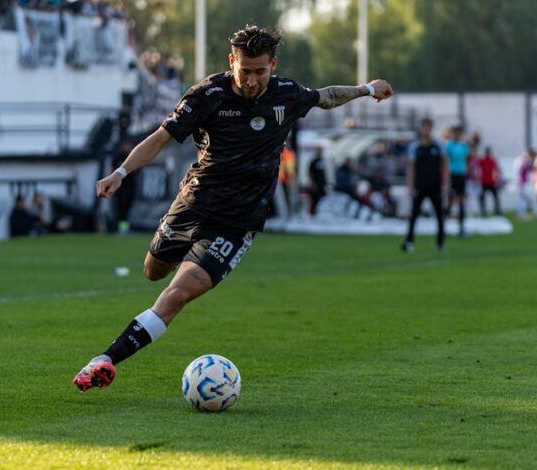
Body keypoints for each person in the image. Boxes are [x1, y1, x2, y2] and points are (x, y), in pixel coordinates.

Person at [72, 24, 394, 392]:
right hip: (192, 204)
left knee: (175, 296)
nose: (253, 80)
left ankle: (105, 360)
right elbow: (160, 138)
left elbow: (326, 96)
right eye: (246, 71)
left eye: (261, 71)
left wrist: (367, 89)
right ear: (232, 62)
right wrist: (120, 172)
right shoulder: (207, 95)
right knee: (153, 271)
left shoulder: (286, 94)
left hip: (237, 222)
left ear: (273, 64)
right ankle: (179, 259)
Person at [401, 118, 447, 254]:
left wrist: (445, 184)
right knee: (414, 214)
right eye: (424, 127)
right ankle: (409, 242)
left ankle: (440, 242)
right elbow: (411, 168)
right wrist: (410, 186)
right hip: (420, 186)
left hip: (435, 185)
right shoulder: (415, 147)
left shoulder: (438, 146)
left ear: (431, 129)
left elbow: (444, 166)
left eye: (428, 127)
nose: (426, 130)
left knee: (439, 215)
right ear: (421, 129)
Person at [445, 126, 470, 236]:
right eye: (455, 132)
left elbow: (466, 159)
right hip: (453, 175)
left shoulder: (464, 146)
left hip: (462, 175)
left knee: (461, 202)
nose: (457, 135)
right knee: (450, 202)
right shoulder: (449, 145)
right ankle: (443, 228)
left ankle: (461, 228)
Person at [479, 146, 501, 216]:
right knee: (482, 197)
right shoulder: (482, 160)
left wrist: (497, 178)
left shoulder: (493, 160)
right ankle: (483, 212)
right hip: (484, 181)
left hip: (491, 181)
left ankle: (497, 211)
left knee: (496, 197)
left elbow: (497, 169)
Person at [514, 149, 536, 219]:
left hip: (523, 182)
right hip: (521, 182)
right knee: (522, 198)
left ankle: (520, 212)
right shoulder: (522, 160)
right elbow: (518, 170)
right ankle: (521, 213)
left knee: (522, 198)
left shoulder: (524, 160)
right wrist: (519, 179)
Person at [308, 148, 327, 213]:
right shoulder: (314, 162)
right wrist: (313, 183)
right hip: (316, 183)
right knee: (315, 199)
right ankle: (312, 212)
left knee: (322, 199)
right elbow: (310, 173)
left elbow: (324, 173)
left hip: (322, 184)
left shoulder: (323, 161)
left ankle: (319, 212)